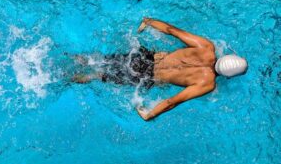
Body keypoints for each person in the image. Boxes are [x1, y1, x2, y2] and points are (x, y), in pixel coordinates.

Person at [72, 18, 248, 120]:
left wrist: (148, 21)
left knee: (96, 60)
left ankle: (71, 57)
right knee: (98, 75)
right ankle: (66, 78)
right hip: (147, 77)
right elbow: (173, 101)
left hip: (144, 57)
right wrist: (150, 115)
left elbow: (172, 30)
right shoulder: (207, 83)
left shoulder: (206, 47)